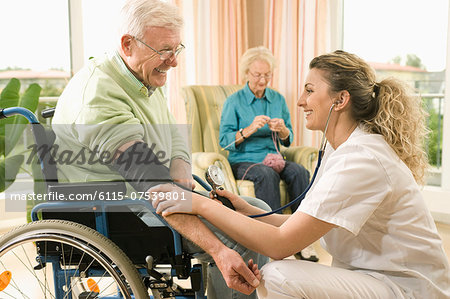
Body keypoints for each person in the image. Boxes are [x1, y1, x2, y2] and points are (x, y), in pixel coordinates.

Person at [152, 50, 450, 298]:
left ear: (340, 100)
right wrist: (244, 210)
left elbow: (281, 245)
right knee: (262, 209)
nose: (300, 101)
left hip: (407, 288)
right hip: (373, 274)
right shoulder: (341, 149)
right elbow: (302, 220)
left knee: (278, 275)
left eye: (309, 90)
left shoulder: (361, 159)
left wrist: (198, 203)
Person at [51, 0, 268, 297]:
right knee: (242, 238)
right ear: (128, 44)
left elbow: (172, 129)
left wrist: (180, 163)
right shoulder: (99, 95)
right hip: (118, 211)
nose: (174, 61)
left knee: (259, 212)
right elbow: (154, 186)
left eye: (177, 49)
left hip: (150, 197)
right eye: (165, 50)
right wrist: (218, 250)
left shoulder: (145, 74)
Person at [219, 46, 310, 214]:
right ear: (246, 73)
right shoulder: (234, 101)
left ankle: (301, 223)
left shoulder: (278, 99)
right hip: (244, 161)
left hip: (273, 159)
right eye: (257, 75)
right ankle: (272, 228)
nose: (263, 80)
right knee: (266, 174)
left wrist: (282, 129)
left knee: (299, 171)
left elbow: (288, 138)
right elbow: (225, 141)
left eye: (267, 75)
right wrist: (250, 129)